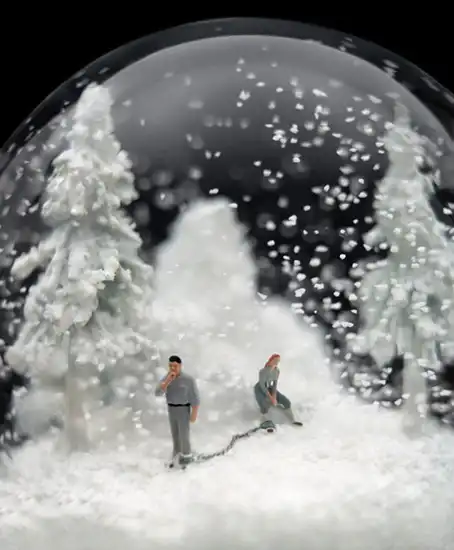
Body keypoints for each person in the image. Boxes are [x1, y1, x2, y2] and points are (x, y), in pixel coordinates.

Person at [155, 355, 200, 467]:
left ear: (180, 366)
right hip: (171, 409)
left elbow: (194, 398)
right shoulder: (166, 378)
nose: (172, 368)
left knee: (184, 434)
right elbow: (158, 393)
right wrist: (167, 381)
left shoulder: (188, 380)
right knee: (175, 434)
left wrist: (194, 413)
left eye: (175, 366)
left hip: (183, 409)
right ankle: (176, 455)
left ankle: (186, 456)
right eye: (170, 366)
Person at [254, 353, 303, 427]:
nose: (277, 362)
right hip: (260, 389)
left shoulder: (276, 371)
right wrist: (271, 397)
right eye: (276, 360)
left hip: (270, 388)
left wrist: (274, 396)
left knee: (286, 402)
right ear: (271, 360)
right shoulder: (263, 371)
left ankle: (292, 420)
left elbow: (274, 384)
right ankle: (265, 421)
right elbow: (262, 386)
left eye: (278, 361)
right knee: (264, 404)